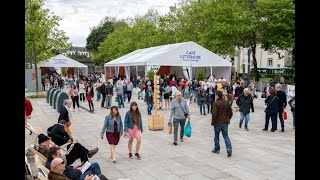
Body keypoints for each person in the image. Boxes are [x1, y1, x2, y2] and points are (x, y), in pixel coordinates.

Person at [211, 91, 233, 157]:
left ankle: (217, 149)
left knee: (217, 136)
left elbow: (214, 114)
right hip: (225, 122)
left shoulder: (216, 103)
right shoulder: (226, 102)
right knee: (226, 136)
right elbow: (230, 112)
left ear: (217, 96)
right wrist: (228, 118)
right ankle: (229, 149)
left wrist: (213, 122)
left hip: (217, 122)